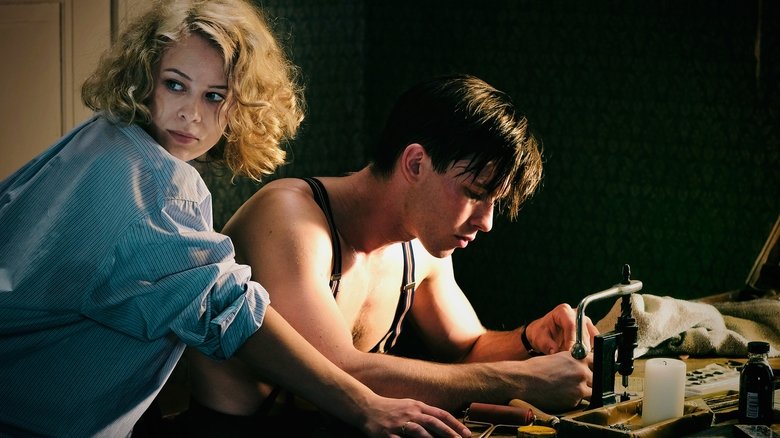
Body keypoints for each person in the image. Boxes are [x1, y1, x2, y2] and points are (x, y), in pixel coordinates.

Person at [0, 2, 471, 437]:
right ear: (143, 77)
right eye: (175, 84)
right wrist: (365, 406)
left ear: (239, 108)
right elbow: (230, 314)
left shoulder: (99, 138)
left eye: (214, 97)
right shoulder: (158, 182)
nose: (190, 114)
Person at [187, 74, 599, 425]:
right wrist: (523, 380)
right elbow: (340, 376)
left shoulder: (420, 248)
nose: (486, 222)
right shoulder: (289, 219)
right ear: (416, 163)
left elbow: (468, 348)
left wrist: (530, 339)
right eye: (475, 194)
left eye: (495, 202)